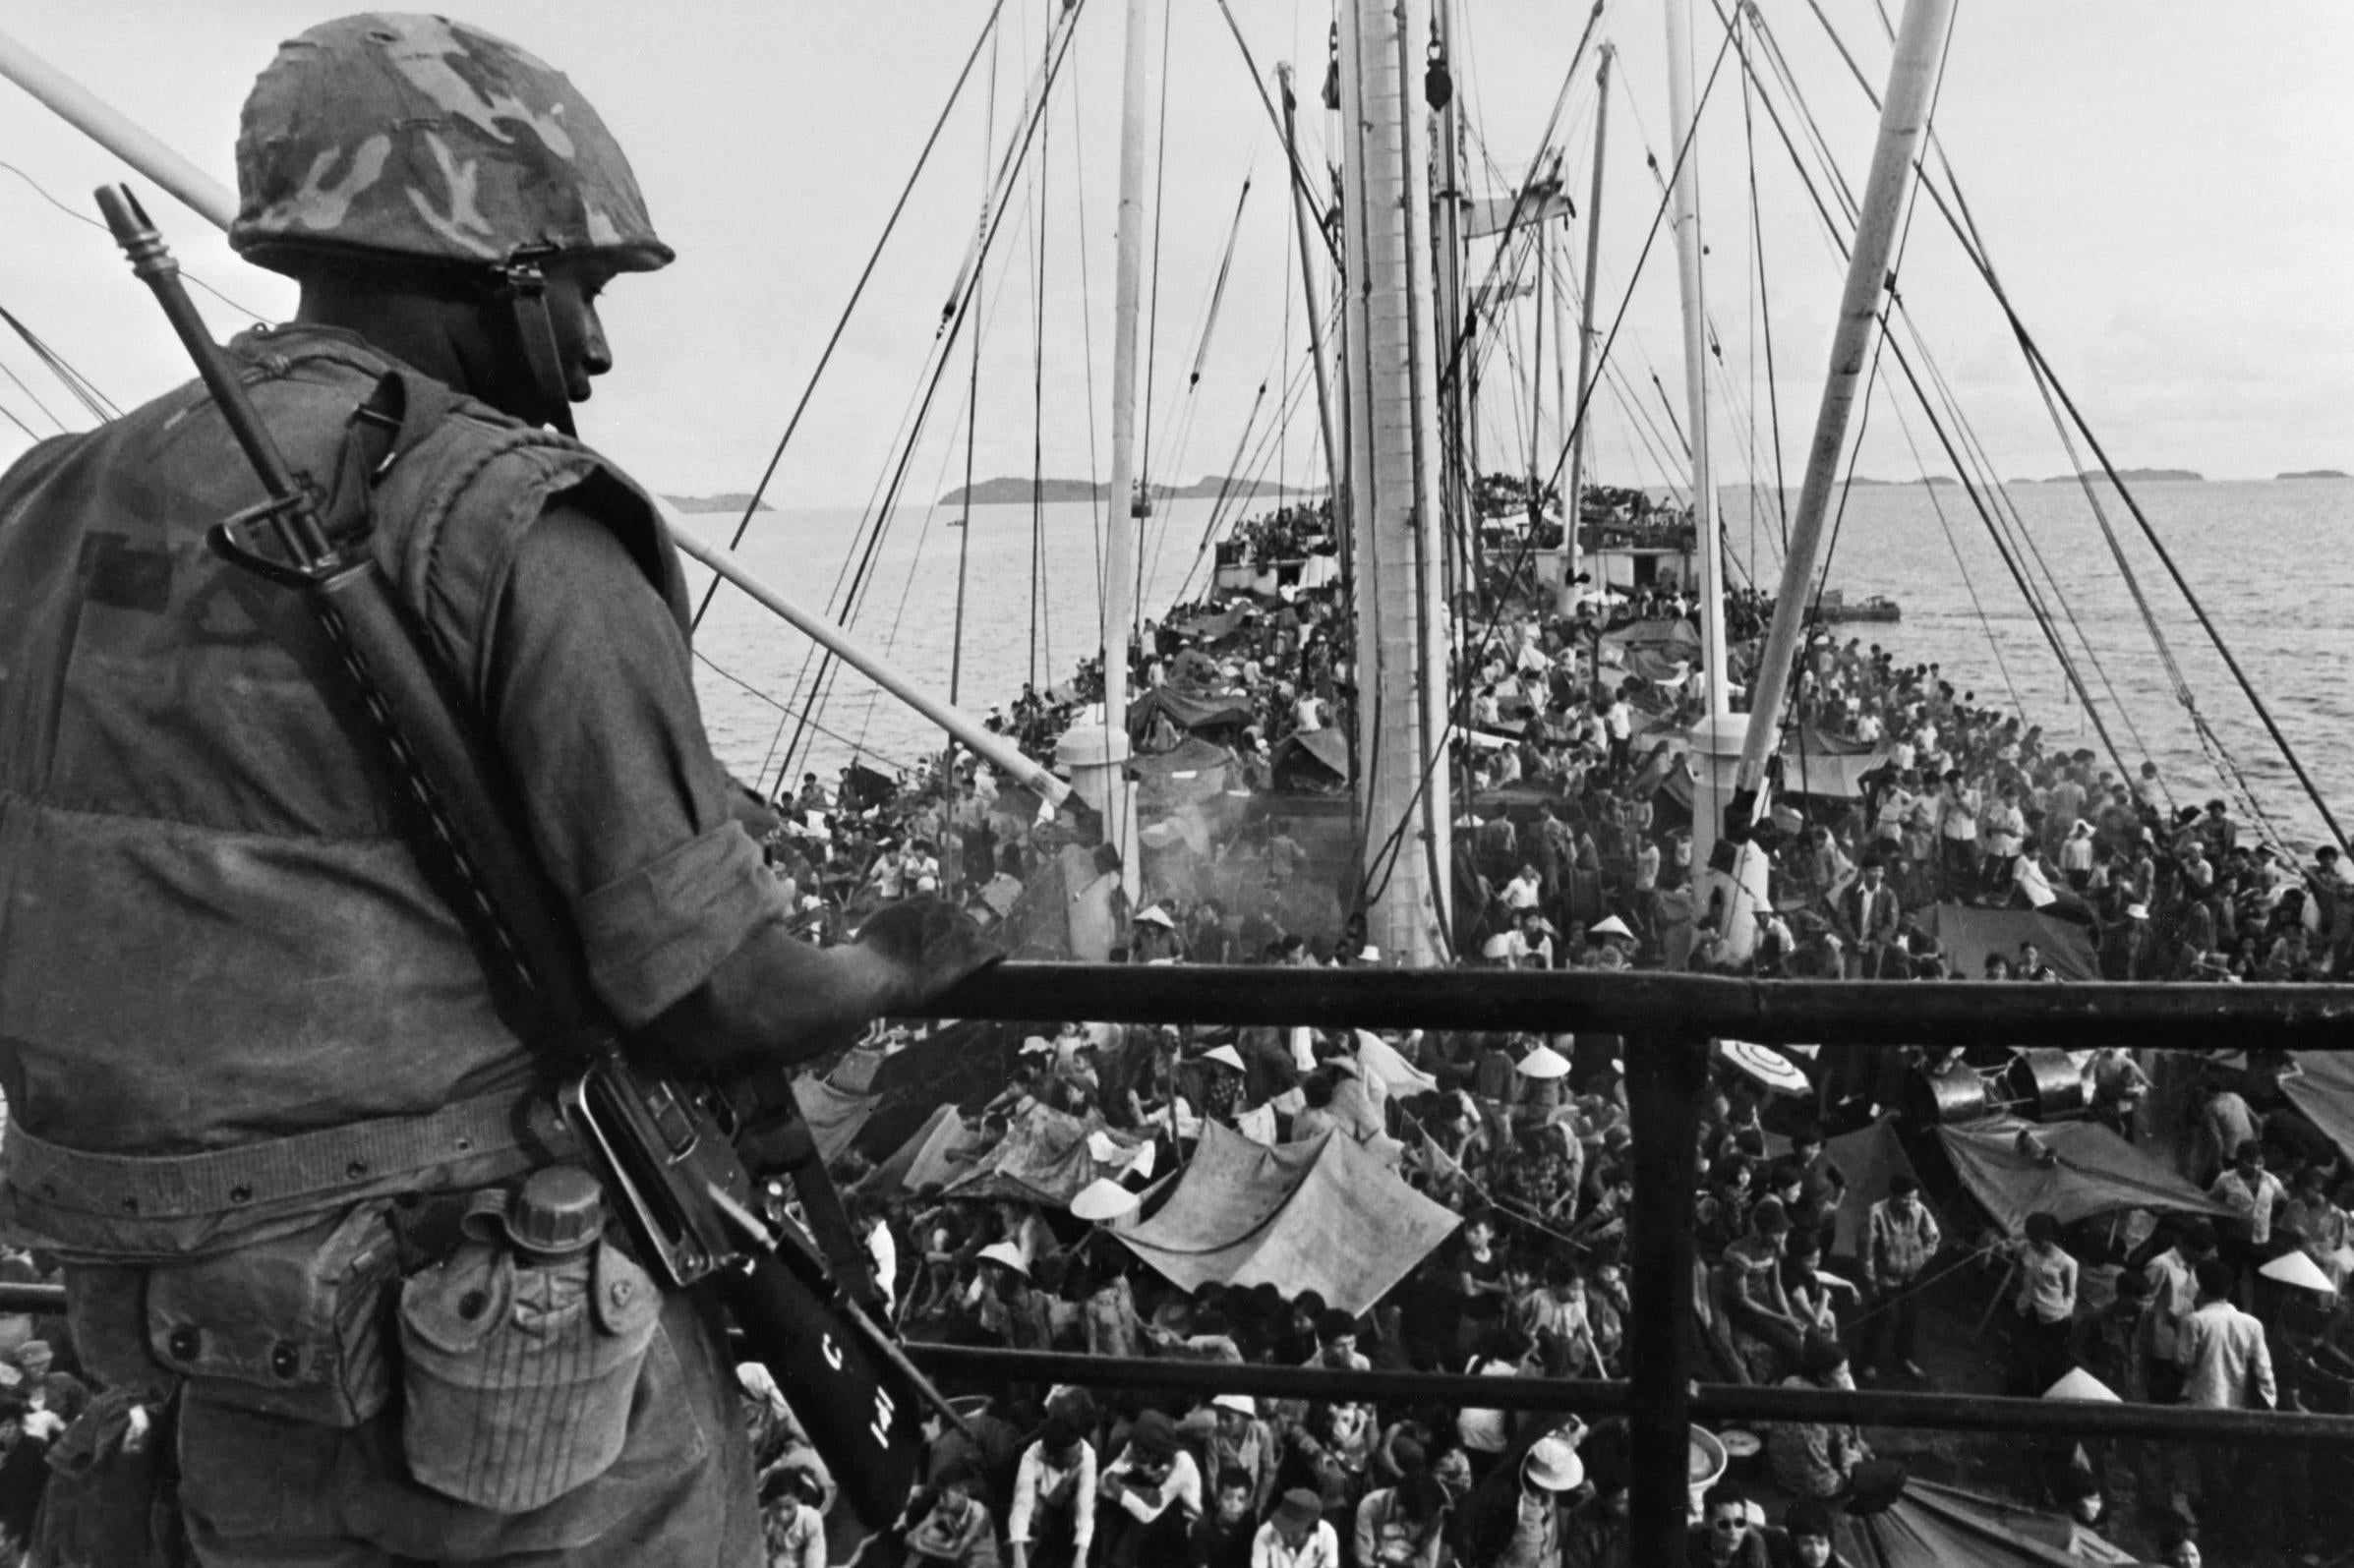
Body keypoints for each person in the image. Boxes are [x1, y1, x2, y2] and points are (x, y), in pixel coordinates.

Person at [0, 16, 998, 1565]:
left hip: (213, 1346)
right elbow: (711, 992)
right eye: (582, 292)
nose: (592, 351)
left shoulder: (48, 502)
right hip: (514, 1389)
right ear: (493, 266)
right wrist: (900, 956)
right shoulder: (513, 520)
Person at [1860, 1174, 1940, 1382]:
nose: (1910, 1204)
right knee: (1880, 1318)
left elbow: (1932, 1234)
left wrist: (1924, 1256)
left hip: (1911, 1273)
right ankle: (1868, 1361)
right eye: (1906, 1199)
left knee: (1909, 1316)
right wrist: (1872, 1282)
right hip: (1885, 1275)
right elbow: (1866, 1251)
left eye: (1914, 1199)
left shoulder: (1919, 1209)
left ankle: (1904, 1357)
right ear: (1893, 1196)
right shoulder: (1876, 1212)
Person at [1689, 1481, 1773, 1568]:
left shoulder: (1754, 1547)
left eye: (1739, 1523)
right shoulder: (1690, 1547)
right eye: (1724, 1524)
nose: (1733, 1531)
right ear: (1707, 1521)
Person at [1251, 1488, 1339, 1568]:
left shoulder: (1327, 1534)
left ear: (1311, 1529)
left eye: (1293, 1531)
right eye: (1283, 1526)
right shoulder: (1265, 1533)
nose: (1286, 1534)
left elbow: (1331, 1565)